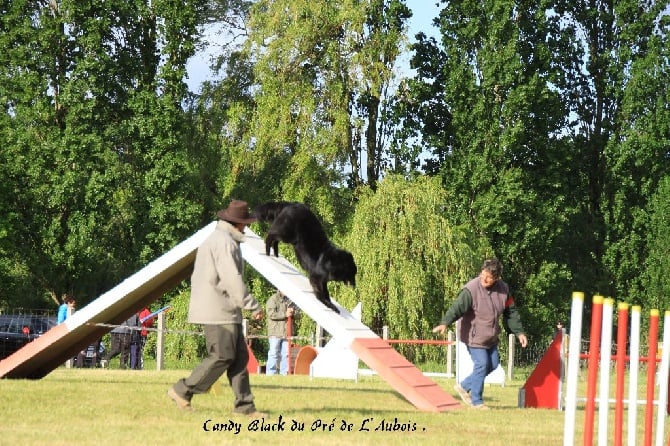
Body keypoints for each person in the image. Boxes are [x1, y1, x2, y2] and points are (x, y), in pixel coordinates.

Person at [167, 200, 265, 417]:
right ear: (238, 224)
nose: (246, 227)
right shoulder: (224, 242)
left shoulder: (220, 238)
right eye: (245, 223)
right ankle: (182, 390)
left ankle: (245, 407)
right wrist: (252, 305)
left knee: (239, 359)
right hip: (218, 310)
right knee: (222, 356)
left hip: (224, 309)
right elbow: (232, 279)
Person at [432, 258, 528, 410]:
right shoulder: (471, 289)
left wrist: (519, 332)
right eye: (483, 274)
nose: (484, 278)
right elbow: (457, 308)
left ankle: (464, 385)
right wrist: (445, 322)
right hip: (473, 335)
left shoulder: (504, 290)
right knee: (482, 364)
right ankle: (477, 401)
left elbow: (511, 312)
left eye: (489, 277)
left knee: (493, 364)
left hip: (491, 337)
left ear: (497, 278)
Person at [265, 290, 297, 375]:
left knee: (286, 354)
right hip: (275, 332)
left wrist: (293, 312)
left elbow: (298, 315)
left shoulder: (291, 300)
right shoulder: (273, 299)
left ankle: (284, 374)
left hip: (286, 332)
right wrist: (285, 314)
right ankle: (270, 374)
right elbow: (271, 314)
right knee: (274, 354)